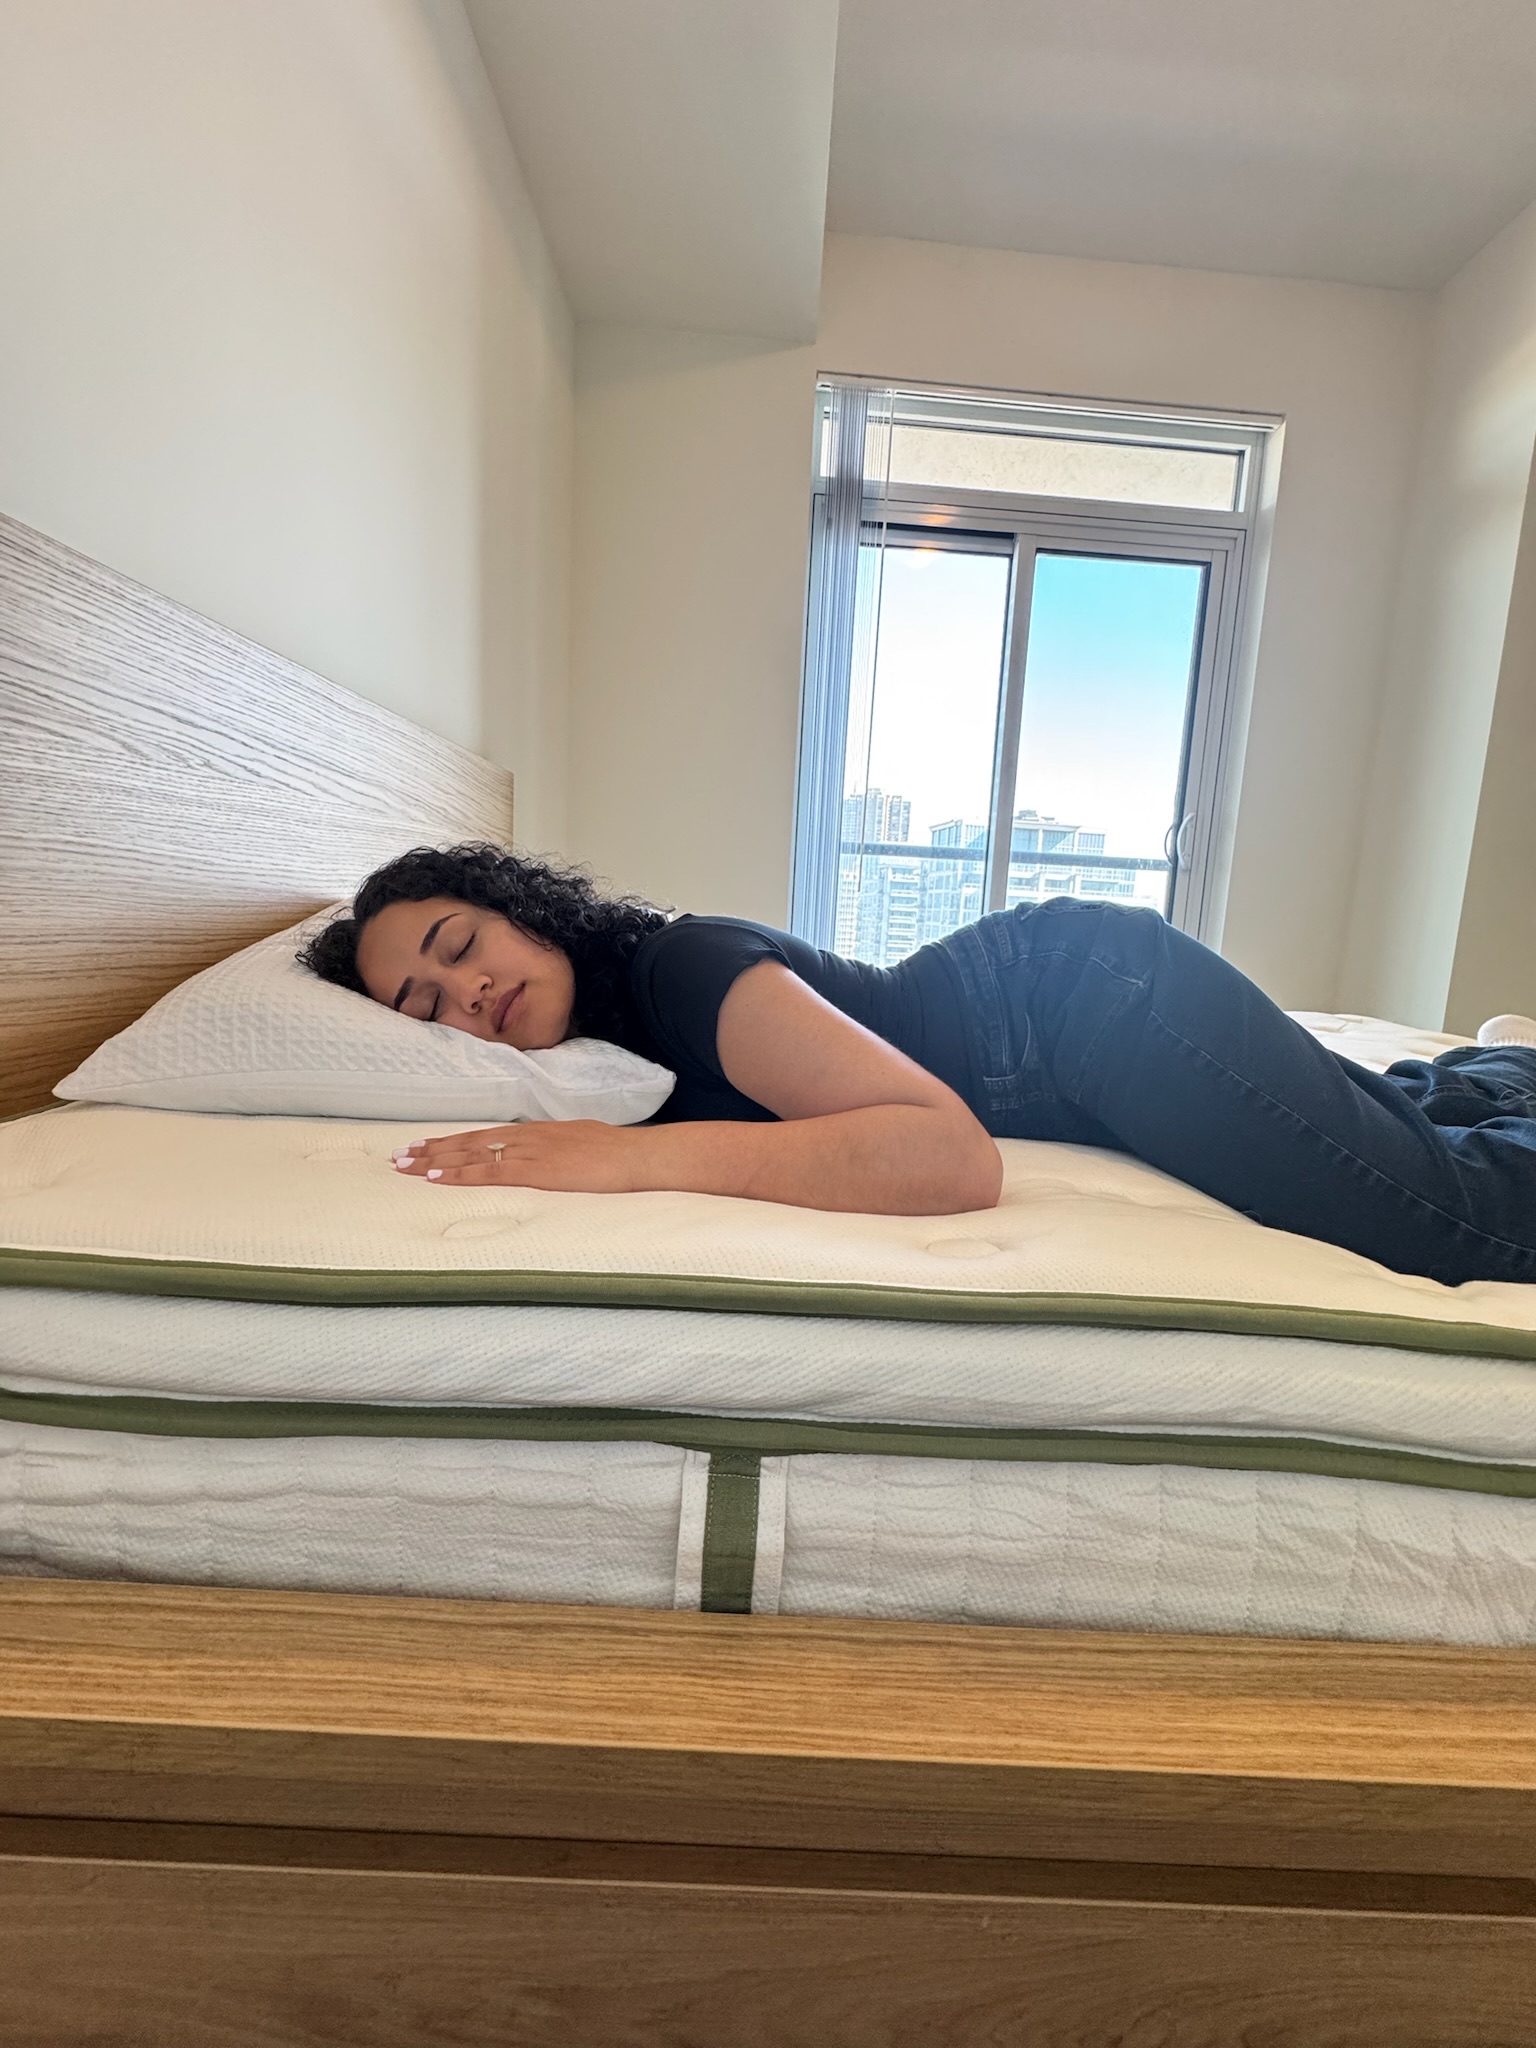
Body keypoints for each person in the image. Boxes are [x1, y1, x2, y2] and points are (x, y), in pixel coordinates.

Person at [301, 841, 1536, 1289]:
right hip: (1073, 1031)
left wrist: (617, 1162)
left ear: (519, 909)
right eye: (425, 1004)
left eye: (461, 944)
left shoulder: (680, 969)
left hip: (1087, 1005)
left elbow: (946, 1156)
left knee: (1442, 1221)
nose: (466, 993)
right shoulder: (603, 1045)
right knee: (1372, 1115)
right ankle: (1495, 1082)